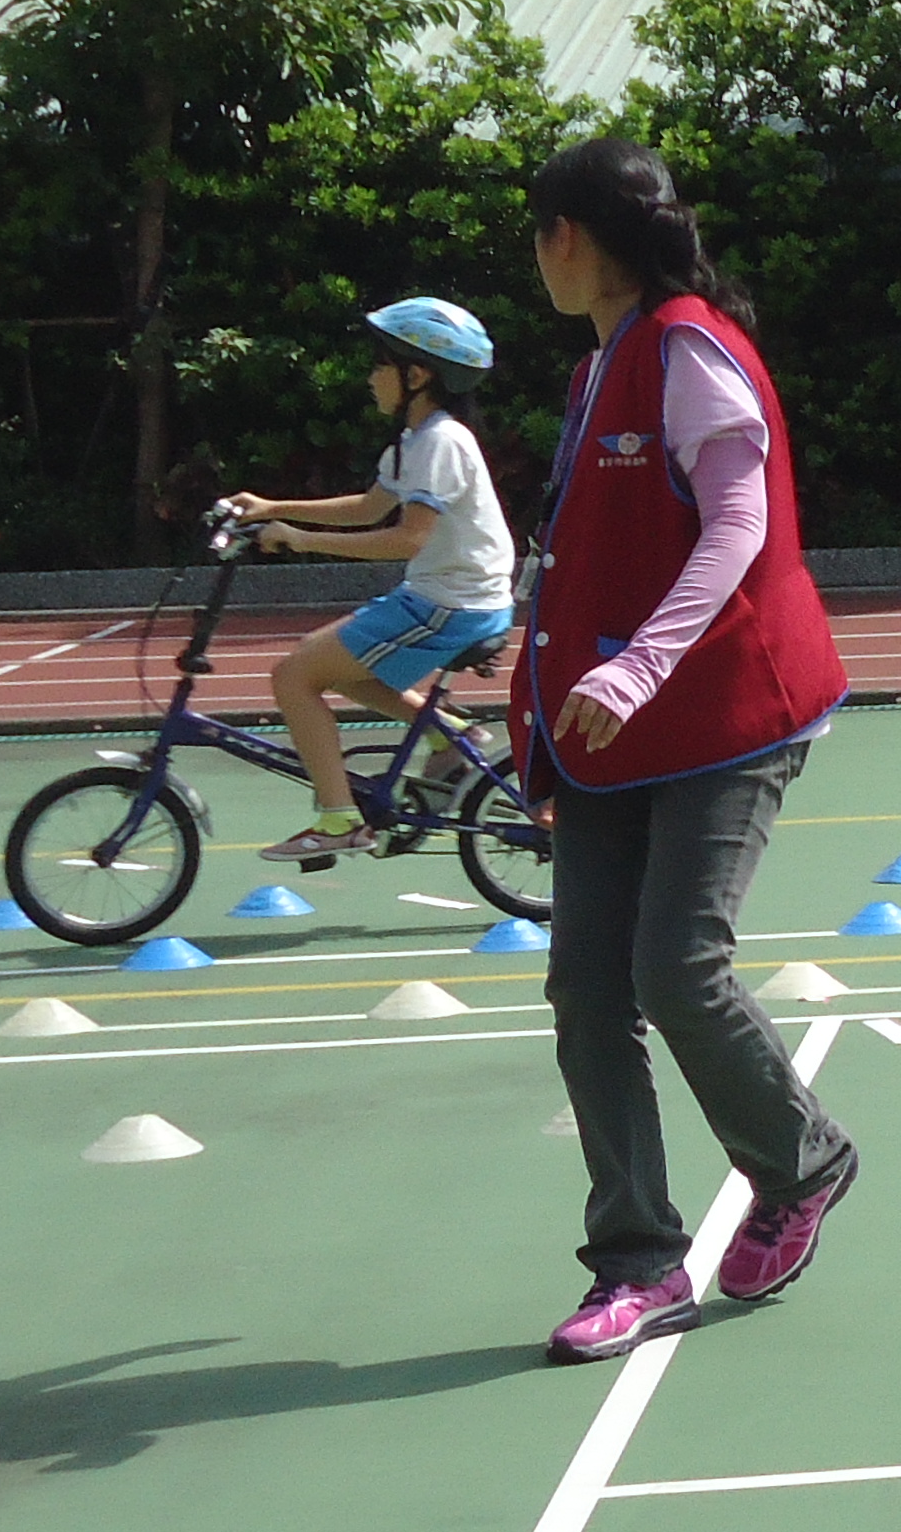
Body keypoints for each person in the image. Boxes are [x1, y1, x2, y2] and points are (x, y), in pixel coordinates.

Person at [511, 140, 860, 1367]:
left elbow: (738, 526)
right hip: (613, 732)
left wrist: (638, 665)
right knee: (585, 986)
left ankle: (801, 1162)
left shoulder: (688, 348)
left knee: (675, 966)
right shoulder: (598, 365)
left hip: (724, 710)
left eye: (537, 234)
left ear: (567, 237)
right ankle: (639, 1263)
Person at [222, 298, 517, 865]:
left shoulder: (441, 442)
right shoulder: (415, 441)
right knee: (330, 666)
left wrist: (301, 539)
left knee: (294, 676)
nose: (369, 376)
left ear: (417, 375)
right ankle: (449, 733)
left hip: (453, 604)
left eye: (380, 365)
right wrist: (271, 507)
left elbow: (408, 538)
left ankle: (338, 820)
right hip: (445, 596)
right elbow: (368, 508)